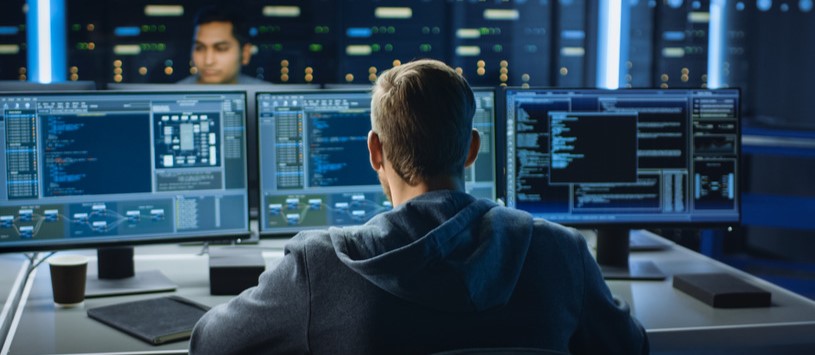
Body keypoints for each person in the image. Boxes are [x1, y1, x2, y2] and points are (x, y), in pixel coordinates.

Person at [189, 59, 648, 354]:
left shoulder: (319, 268)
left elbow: (208, 345)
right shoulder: (561, 254)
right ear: (471, 149)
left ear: (375, 151)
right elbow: (630, 348)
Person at [177, 6, 267, 85]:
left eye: (221, 49)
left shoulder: (265, 95)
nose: (208, 61)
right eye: (199, 48)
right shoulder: (175, 94)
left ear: (245, 53)